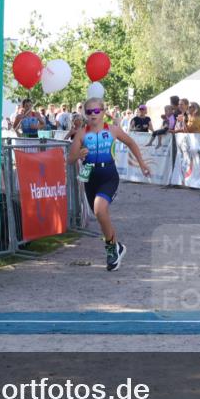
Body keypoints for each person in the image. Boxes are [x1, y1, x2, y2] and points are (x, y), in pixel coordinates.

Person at [68, 97, 151, 271]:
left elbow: (131, 142)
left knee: (100, 208)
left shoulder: (113, 130)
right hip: (90, 176)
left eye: (96, 111)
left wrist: (142, 163)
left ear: (103, 112)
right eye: (89, 112)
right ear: (85, 113)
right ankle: (116, 247)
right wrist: (79, 154)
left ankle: (111, 249)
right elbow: (70, 159)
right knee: (100, 215)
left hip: (108, 176)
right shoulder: (82, 133)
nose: (93, 115)